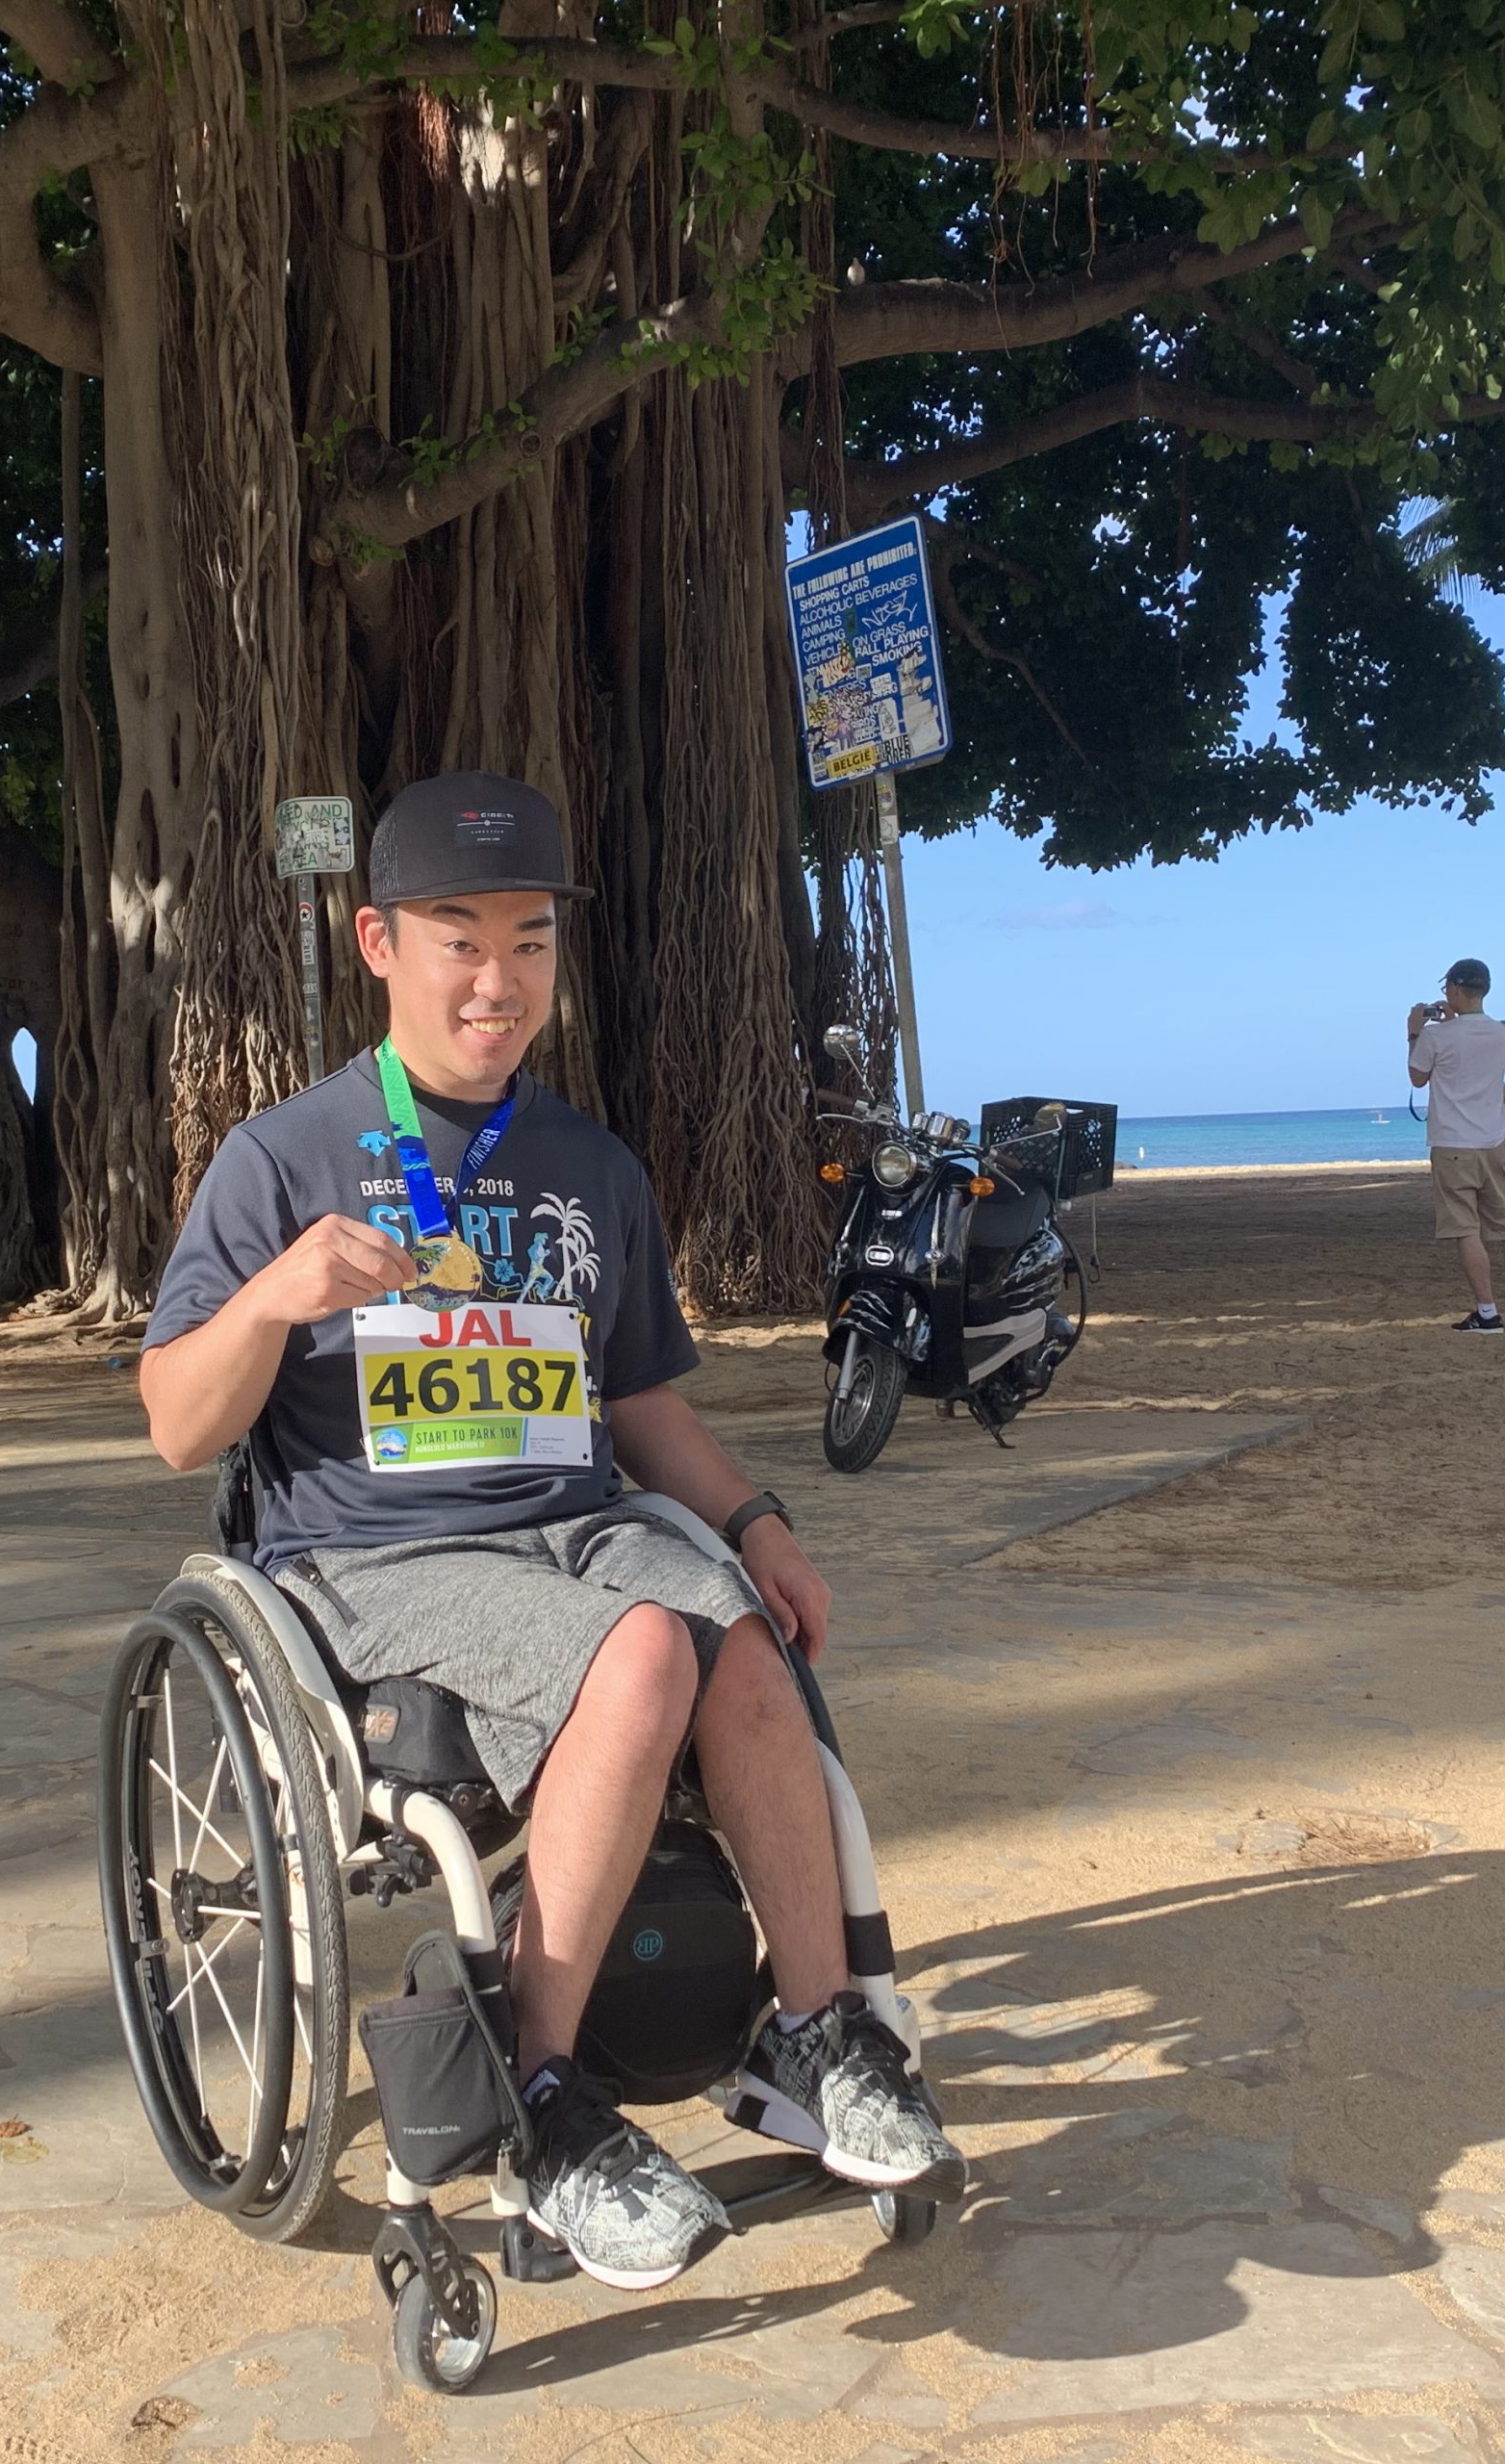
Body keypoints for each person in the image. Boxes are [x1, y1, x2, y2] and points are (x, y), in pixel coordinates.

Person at [137, 771, 965, 2292]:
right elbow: (181, 1424)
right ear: (379, 943)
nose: (497, 980)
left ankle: (819, 2032)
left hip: (578, 1529)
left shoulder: (592, 1168)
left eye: (528, 943)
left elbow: (640, 1405)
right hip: (371, 1561)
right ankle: (540, 2098)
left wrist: (758, 1522)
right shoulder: (283, 1160)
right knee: (646, 1655)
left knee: (740, 1645)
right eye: (460, 940)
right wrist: (271, 1297)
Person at [1406, 959, 1505, 1332]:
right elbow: (1480, 1065)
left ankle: (1487, 1312)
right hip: (1494, 1142)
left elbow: (1418, 1078)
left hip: (1452, 1143)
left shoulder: (1436, 1037)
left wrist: (1415, 1033)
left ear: (1452, 989)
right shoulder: (1504, 1033)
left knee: (1466, 1229)